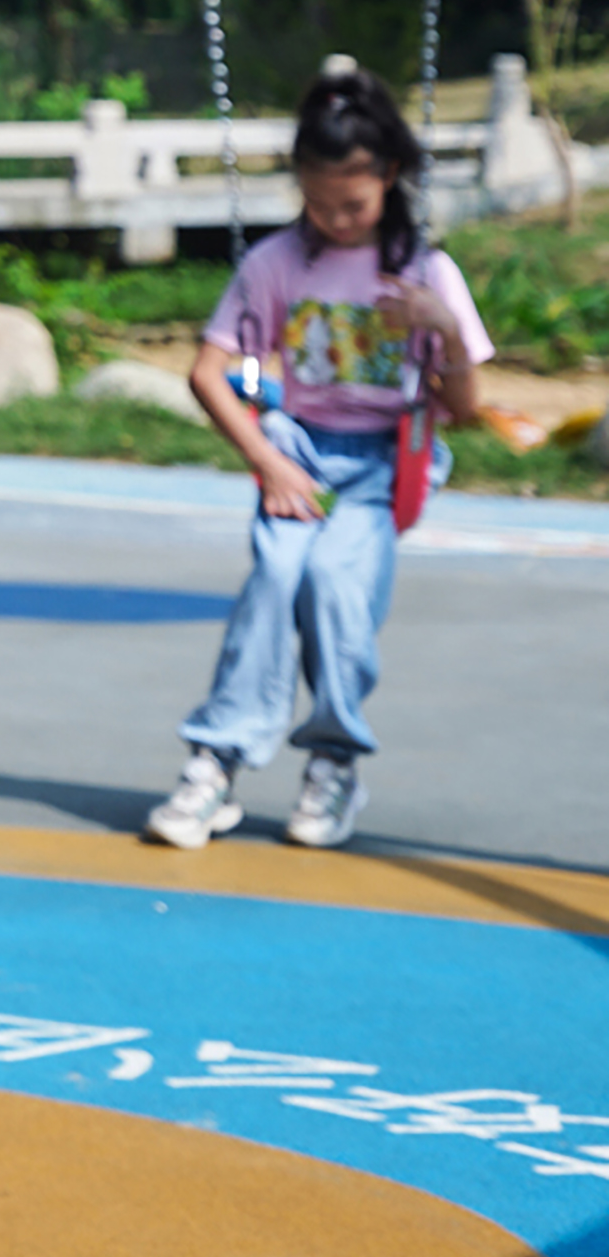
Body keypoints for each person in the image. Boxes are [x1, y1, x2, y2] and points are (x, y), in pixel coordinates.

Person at [145, 57, 490, 855]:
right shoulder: (273, 264)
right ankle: (216, 762)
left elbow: (465, 409)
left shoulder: (425, 272)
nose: (336, 219)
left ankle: (334, 759)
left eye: (354, 203)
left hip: (380, 460)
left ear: (391, 175)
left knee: (335, 581)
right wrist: (265, 458)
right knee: (276, 575)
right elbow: (210, 371)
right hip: (294, 449)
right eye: (318, 200)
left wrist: (440, 326)